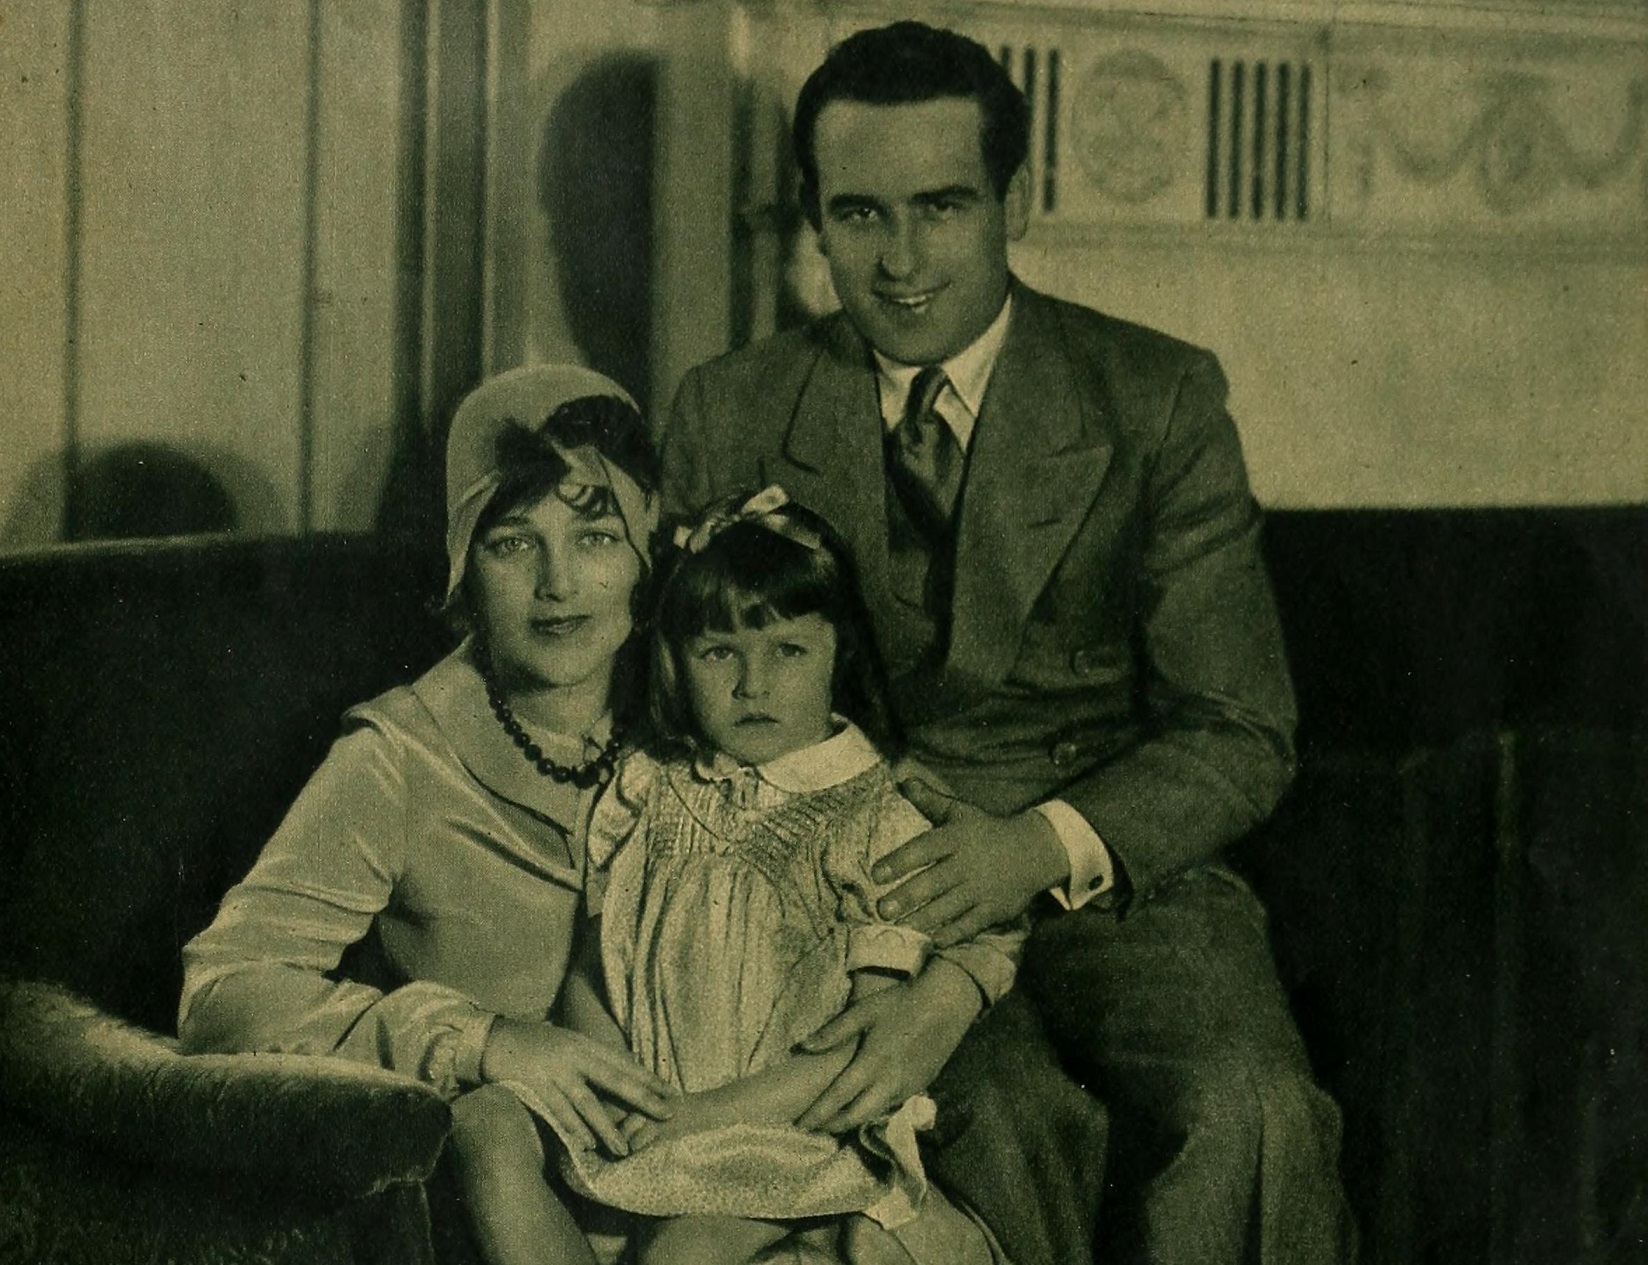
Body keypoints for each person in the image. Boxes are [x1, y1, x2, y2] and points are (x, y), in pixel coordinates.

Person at [659, 21, 1354, 1265]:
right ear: (812, 219)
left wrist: (1036, 845)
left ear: (1012, 202)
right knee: (996, 1125)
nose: (903, 259)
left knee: (1248, 1114)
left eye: (943, 206)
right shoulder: (733, 408)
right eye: (860, 214)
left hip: (1116, 875)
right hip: (845, 888)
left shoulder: (1156, 396)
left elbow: (1241, 731)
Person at [179, 365, 678, 1265]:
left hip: (717, 1185)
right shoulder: (399, 755)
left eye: (597, 535)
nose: (559, 584)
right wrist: (476, 1039)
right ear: (463, 566)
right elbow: (221, 994)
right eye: (513, 543)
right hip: (510, 1213)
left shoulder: (710, 713)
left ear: (648, 553)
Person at [544, 486, 1018, 1265]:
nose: (751, 684)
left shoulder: (871, 820)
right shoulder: (648, 787)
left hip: (801, 1136)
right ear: (675, 661)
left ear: (840, 657)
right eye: (719, 651)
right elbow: (594, 970)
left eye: (788, 651)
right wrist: (623, 1097)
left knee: (677, 1256)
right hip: (661, 1125)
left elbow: (856, 1051)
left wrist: (693, 1117)